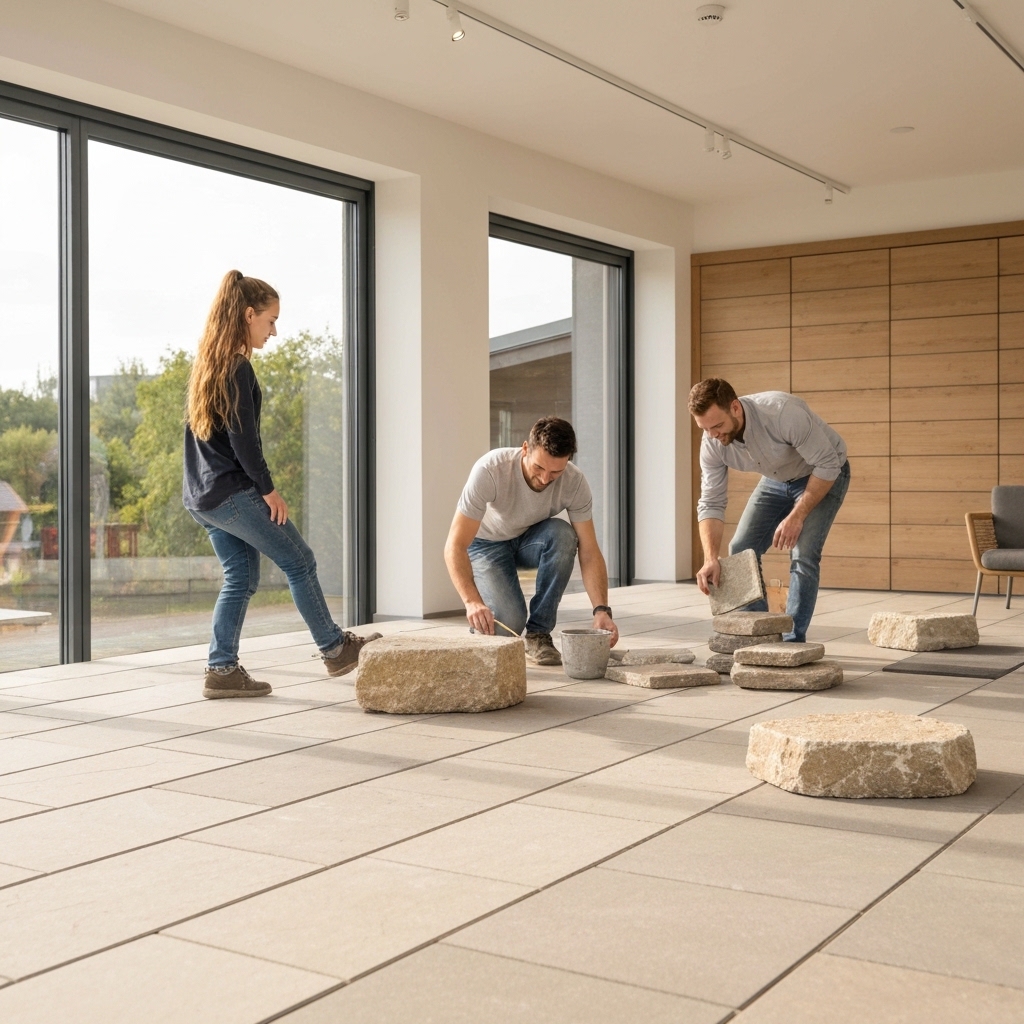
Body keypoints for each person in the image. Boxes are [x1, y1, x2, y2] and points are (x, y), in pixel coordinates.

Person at [182, 270, 379, 699]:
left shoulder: (208, 366)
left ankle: (222, 670)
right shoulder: (237, 369)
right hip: (231, 493)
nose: (274, 330)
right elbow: (243, 440)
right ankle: (334, 648)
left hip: (202, 498)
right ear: (248, 314)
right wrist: (268, 490)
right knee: (300, 561)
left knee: (240, 577)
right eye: (270, 320)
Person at [444, 416, 619, 665]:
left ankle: (539, 634)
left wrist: (602, 610)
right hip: (486, 544)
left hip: (528, 539)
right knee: (508, 626)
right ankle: (485, 627)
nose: (546, 479)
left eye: (555, 471)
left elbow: (589, 551)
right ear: (525, 449)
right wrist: (472, 602)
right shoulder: (490, 470)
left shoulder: (575, 482)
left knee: (563, 534)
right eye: (539, 468)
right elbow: (455, 545)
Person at [689, 377, 850, 644]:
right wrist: (710, 558)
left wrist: (797, 516)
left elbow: (827, 465)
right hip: (776, 480)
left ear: (735, 408)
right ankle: (760, 635)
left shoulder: (782, 413)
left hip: (823, 473)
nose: (713, 435)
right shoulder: (712, 442)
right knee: (741, 547)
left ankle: (791, 641)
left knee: (804, 552)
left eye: (717, 425)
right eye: (705, 429)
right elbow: (711, 502)